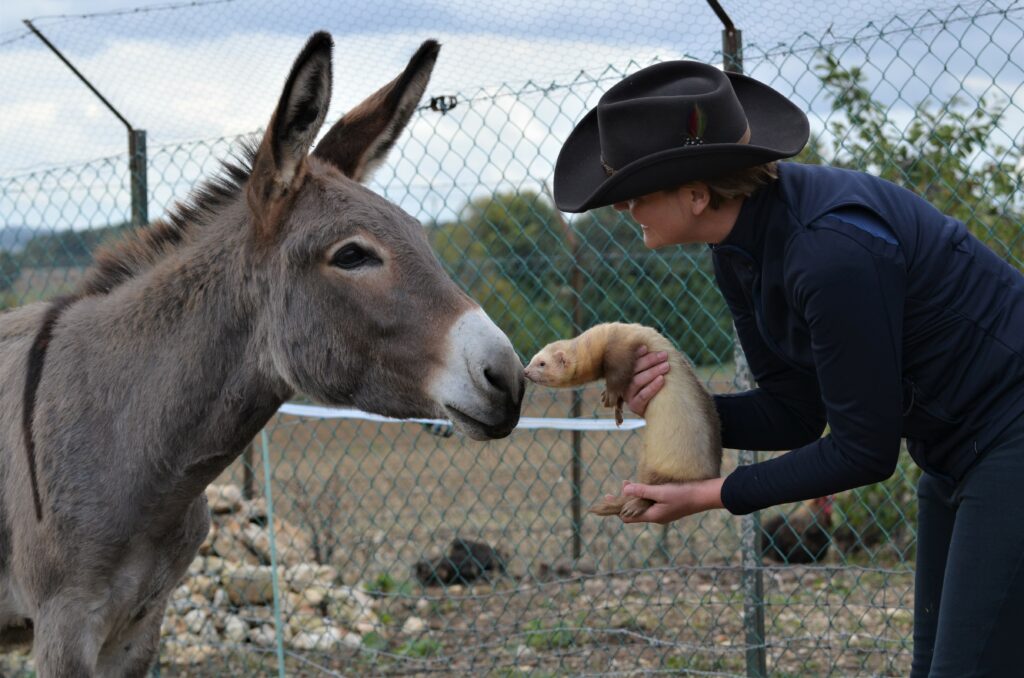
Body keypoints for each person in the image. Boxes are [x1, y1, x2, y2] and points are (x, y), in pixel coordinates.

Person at [551, 60, 1024, 675]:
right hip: (958, 451)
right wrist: (683, 409)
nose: (622, 209)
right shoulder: (739, 249)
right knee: (937, 662)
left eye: (635, 193)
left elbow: (864, 451)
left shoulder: (830, 254)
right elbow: (796, 411)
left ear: (696, 195)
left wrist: (710, 493)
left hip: (1011, 440)